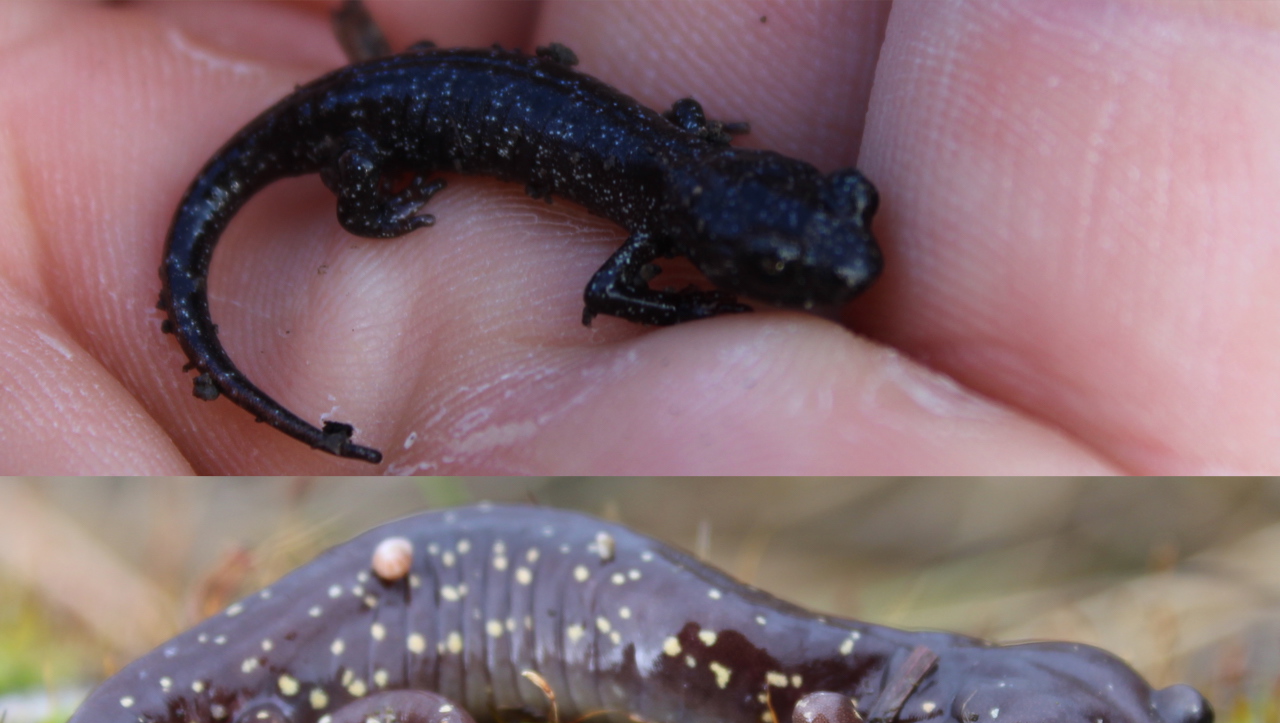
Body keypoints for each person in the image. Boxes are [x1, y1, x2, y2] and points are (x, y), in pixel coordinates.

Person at [2, 0, 1274, 473]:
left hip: (397, 99)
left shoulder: (683, 172)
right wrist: (361, 197)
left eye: (833, 225)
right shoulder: (665, 206)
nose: (839, 262)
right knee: (315, 173)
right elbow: (611, 297)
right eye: (781, 274)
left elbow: (644, 224)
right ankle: (321, 230)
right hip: (355, 123)